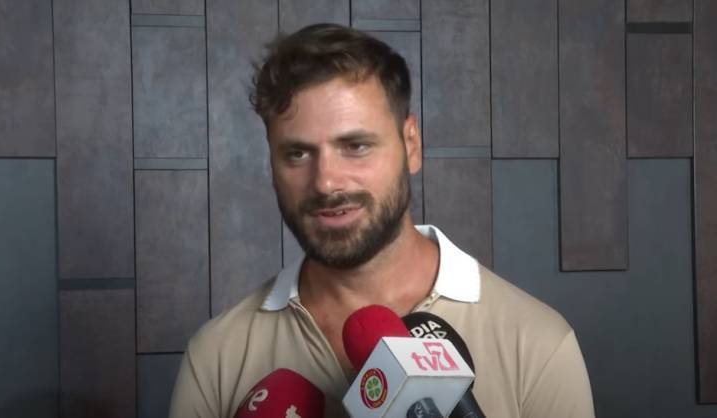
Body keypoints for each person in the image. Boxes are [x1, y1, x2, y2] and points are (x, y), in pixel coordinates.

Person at [169, 23, 595, 418]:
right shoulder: (217, 358)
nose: (326, 182)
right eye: (297, 154)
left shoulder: (536, 344)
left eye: (355, 146)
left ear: (411, 145)